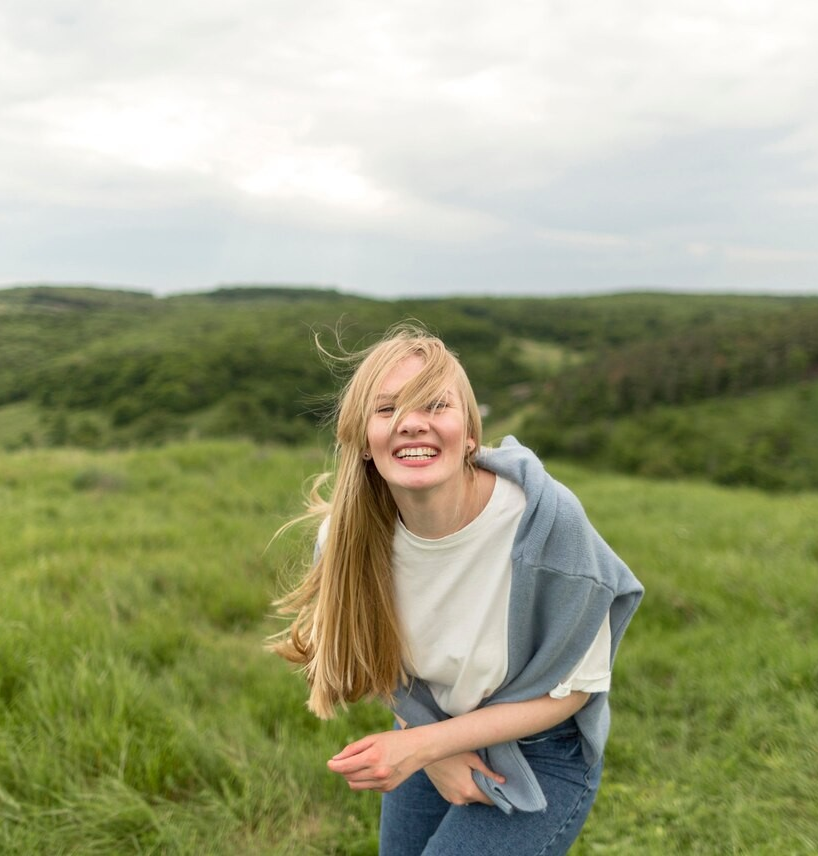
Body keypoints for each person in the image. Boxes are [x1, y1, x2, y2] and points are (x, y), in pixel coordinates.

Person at [269, 323, 643, 856]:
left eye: (435, 406)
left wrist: (422, 747)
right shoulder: (346, 540)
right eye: (387, 409)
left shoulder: (543, 524)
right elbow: (372, 656)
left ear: (470, 433)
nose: (412, 424)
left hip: (541, 749)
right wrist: (433, 750)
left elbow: (576, 688)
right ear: (363, 440)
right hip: (428, 725)